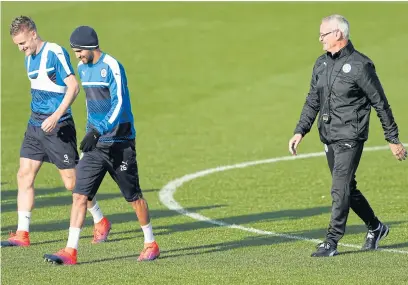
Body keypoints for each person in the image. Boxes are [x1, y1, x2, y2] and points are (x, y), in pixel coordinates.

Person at [288, 14, 407, 257]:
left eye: (324, 34)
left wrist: (393, 139)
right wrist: (300, 130)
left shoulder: (361, 66)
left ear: (338, 34)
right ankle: (376, 227)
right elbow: (313, 99)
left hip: (350, 136)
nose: (320, 39)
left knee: (338, 188)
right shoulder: (320, 64)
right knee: (347, 189)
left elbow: (380, 103)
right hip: (328, 135)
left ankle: (331, 241)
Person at [43, 26, 160, 265]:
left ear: (89, 47)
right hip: (96, 146)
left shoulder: (113, 67)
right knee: (79, 194)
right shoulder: (83, 69)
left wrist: (99, 130)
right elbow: (89, 104)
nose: (77, 56)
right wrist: (90, 131)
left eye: (78, 51)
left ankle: (151, 242)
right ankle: (70, 250)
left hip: (120, 143)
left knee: (133, 197)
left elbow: (119, 104)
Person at [3, 16, 112, 248]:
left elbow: (73, 86)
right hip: (35, 126)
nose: (21, 49)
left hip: (58, 127)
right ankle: (23, 232)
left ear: (33, 33)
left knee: (72, 184)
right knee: (24, 175)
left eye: (23, 43)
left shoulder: (55, 52)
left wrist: (55, 116)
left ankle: (100, 220)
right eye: (17, 45)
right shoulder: (28, 59)